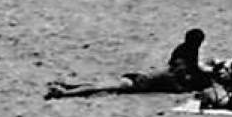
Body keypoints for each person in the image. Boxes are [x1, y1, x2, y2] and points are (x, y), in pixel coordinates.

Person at [45, 28, 212, 99]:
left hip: (139, 77)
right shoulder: (176, 72)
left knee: (101, 85)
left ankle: (68, 86)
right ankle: (65, 93)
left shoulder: (181, 52)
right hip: (138, 83)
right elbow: (177, 86)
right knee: (100, 87)